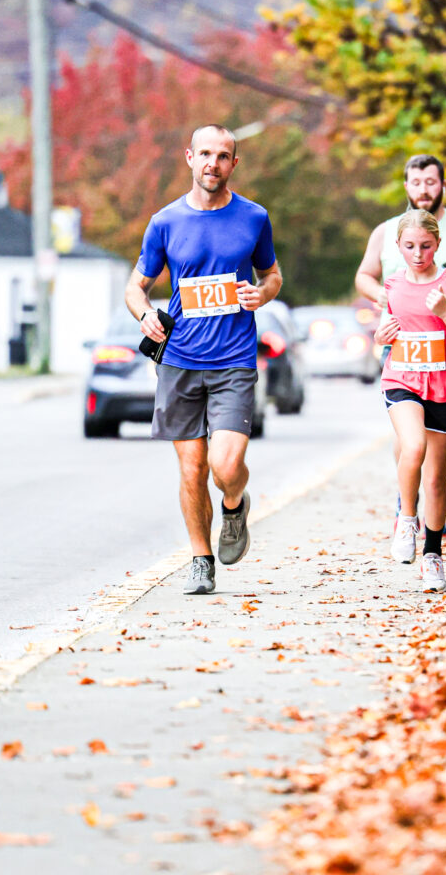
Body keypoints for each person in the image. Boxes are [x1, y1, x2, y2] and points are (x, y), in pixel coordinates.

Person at [125, 124, 282, 595]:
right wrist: (144, 314)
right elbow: (136, 286)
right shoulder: (165, 221)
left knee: (225, 466)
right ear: (189, 157)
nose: (213, 163)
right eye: (206, 154)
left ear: (234, 164)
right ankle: (200, 558)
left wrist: (262, 294)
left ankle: (234, 504)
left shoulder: (253, 217)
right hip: (179, 361)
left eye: (224, 156)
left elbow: (272, 274)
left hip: (234, 358)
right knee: (191, 468)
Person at [355, 153, 446, 512]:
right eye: (417, 183)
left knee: (440, 440)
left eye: (431, 182)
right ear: (407, 186)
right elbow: (364, 275)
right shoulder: (387, 231)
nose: (424, 190)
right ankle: (405, 502)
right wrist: (380, 294)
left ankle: (435, 496)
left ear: (443, 186)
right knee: (408, 435)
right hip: (402, 346)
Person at [374, 209, 446, 592]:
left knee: (436, 479)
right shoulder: (393, 285)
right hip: (401, 380)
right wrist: (380, 337)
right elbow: (384, 334)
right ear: (398, 246)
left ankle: (432, 555)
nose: (417, 253)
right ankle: (406, 518)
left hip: (444, 387)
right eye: (409, 246)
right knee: (412, 445)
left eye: (425, 245)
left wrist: (445, 313)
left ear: (437, 244)